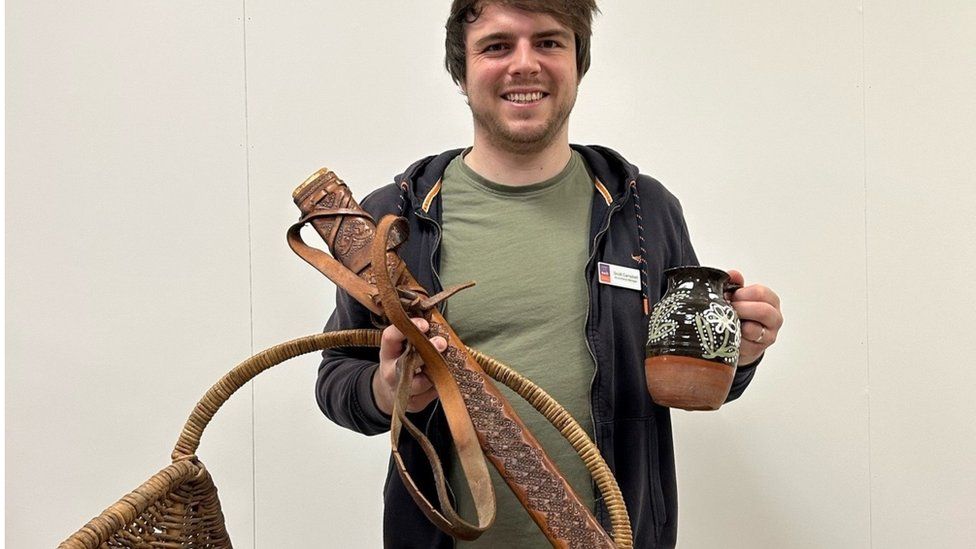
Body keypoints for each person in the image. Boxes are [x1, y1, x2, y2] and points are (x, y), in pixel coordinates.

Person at [316, 1, 784, 547]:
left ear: (578, 62)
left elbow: (683, 372)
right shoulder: (393, 219)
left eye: (548, 42)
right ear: (461, 72)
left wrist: (740, 352)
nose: (524, 64)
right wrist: (386, 387)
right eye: (496, 46)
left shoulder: (643, 210)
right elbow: (336, 379)